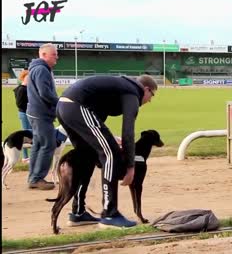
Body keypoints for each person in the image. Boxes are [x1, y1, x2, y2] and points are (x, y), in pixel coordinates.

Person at [56, 74, 157, 228]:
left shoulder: (120, 87)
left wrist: (109, 137)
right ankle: (110, 214)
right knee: (111, 154)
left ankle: (78, 212)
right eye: (152, 95)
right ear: (146, 89)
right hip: (76, 106)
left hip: (64, 106)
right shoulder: (133, 93)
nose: (149, 100)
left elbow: (98, 119)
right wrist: (130, 166)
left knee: (88, 155)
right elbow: (128, 132)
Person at [26, 43, 59, 190]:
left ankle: (33, 177)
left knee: (38, 145)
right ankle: (37, 178)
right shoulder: (42, 70)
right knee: (48, 144)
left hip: (35, 112)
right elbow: (44, 93)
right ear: (44, 55)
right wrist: (60, 103)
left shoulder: (36, 68)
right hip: (41, 113)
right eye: (54, 54)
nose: (57, 56)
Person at [13, 69, 32, 163]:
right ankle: (25, 157)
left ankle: (31, 156)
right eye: (27, 77)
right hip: (24, 114)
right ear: (23, 77)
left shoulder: (28, 88)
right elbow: (19, 104)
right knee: (25, 135)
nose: (29, 78)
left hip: (28, 113)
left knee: (31, 134)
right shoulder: (21, 89)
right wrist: (29, 105)